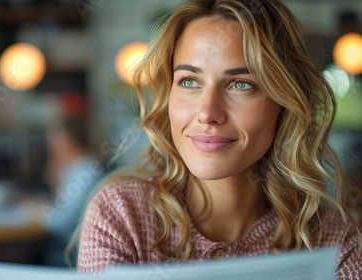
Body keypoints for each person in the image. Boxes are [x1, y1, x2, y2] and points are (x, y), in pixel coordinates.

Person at [76, 0, 362, 278]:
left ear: (285, 103)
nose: (207, 113)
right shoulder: (122, 215)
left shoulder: (336, 239)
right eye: (189, 81)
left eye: (241, 84)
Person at [42, 116, 104, 266]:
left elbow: (60, 223)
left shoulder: (86, 170)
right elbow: (61, 205)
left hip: (75, 251)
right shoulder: (74, 167)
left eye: (58, 139)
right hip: (70, 244)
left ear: (70, 141)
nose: (52, 145)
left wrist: (37, 211)